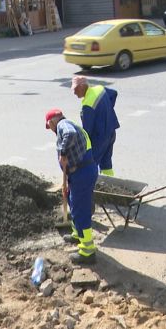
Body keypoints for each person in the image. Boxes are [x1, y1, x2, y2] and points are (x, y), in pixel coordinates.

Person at [45, 108, 98, 264]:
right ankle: (77, 234)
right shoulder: (69, 124)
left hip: (82, 173)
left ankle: (87, 252)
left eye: (50, 127)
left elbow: (70, 135)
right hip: (79, 173)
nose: (52, 130)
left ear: (51, 121)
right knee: (73, 202)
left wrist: (62, 152)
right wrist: (67, 177)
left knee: (81, 211)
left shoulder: (64, 125)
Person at [71, 76, 120, 176]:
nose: (74, 93)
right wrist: (107, 111)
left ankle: (91, 186)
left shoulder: (88, 105)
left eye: (75, 89)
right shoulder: (99, 89)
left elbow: (87, 131)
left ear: (82, 86)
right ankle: (110, 184)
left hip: (100, 138)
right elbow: (114, 93)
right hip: (111, 131)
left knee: (91, 164)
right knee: (106, 163)